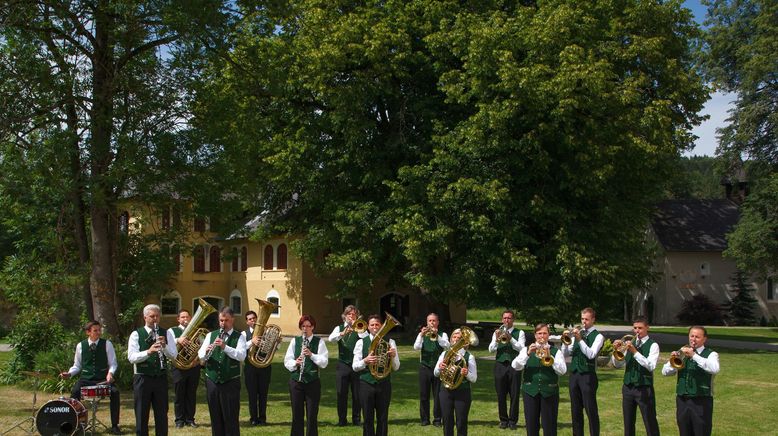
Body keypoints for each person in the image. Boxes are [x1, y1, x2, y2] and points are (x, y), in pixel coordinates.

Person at [60, 321, 122, 435]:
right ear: (88, 332)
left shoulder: (107, 344)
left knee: (115, 392)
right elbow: (77, 365)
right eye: (95, 330)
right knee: (74, 393)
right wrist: (69, 374)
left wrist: (110, 374)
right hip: (86, 378)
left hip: (102, 378)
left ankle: (114, 425)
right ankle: (75, 423)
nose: (99, 332)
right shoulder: (80, 345)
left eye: (99, 330)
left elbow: (113, 363)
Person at [127, 304, 177, 436]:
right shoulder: (136, 334)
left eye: (157, 316)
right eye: (152, 316)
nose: (155, 319)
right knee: (141, 412)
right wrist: (148, 352)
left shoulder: (166, 333)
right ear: (145, 317)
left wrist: (165, 346)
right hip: (142, 378)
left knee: (161, 413)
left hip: (160, 378)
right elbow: (131, 357)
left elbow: (174, 355)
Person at [662, 325, 720, 436]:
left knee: (701, 432)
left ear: (704, 339)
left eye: (697, 337)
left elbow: (715, 369)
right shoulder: (682, 353)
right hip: (682, 400)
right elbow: (664, 372)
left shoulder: (711, 354)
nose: (693, 339)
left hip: (701, 400)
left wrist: (694, 355)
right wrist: (672, 361)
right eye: (691, 336)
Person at [198, 306, 246, 436]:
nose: (223, 323)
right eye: (221, 320)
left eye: (226, 320)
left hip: (230, 381)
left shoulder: (239, 337)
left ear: (232, 320)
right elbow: (200, 355)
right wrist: (206, 351)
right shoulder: (210, 335)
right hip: (212, 381)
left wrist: (225, 347)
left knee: (230, 417)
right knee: (215, 417)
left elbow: (241, 356)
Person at [512, 323, 567, 436]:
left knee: (550, 426)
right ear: (535, 335)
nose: (542, 336)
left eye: (545, 333)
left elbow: (562, 371)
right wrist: (527, 354)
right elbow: (515, 366)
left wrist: (549, 357)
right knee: (531, 426)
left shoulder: (556, 351)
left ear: (548, 335)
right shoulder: (526, 349)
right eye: (539, 333)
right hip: (530, 391)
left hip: (549, 392)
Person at [611, 316, 660, 436]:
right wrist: (617, 351)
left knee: (650, 422)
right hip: (628, 387)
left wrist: (635, 352)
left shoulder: (653, 345)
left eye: (640, 328)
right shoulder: (629, 344)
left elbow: (651, 366)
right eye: (635, 328)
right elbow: (618, 364)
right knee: (628, 423)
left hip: (644, 387)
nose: (637, 331)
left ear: (647, 328)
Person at [353, 313, 401, 436]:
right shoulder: (361, 343)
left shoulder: (390, 342)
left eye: (377, 324)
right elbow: (355, 366)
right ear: (368, 327)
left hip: (384, 384)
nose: (375, 327)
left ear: (381, 326)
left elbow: (396, 367)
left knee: (383, 418)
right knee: (368, 418)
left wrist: (393, 356)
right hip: (366, 384)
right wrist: (365, 361)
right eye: (372, 324)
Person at [561, 307, 604, 436]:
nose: (584, 322)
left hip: (588, 375)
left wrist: (579, 339)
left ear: (593, 320)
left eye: (587, 319)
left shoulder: (598, 336)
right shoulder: (577, 333)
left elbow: (591, 354)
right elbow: (566, 353)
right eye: (582, 319)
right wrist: (566, 341)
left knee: (591, 410)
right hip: (574, 374)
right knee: (575, 410)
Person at [284, 314, 329, 435]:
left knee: (312, 415)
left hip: (312, 383)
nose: (305, 329)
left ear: (313, 327)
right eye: (303, 326)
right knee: (296, 415)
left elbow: (324, 362)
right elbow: (287, 361)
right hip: (296, 382)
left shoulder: (319, 342)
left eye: (308, 326)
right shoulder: (295, 341)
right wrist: (295, 362)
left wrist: (312, 355)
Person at [328, 305, 367, 426]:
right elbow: (331, 339)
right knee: (341, 394)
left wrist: (357, 327)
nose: (351, 316)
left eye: (354, 314)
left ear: (357, 316)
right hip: (343, 365)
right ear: (345, 316)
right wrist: (342, 333)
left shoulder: (360, 327)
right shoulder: (339, 327)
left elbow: (365, 339)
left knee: (357, 394)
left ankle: (356, 419)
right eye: (349, 314)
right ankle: (342, 420)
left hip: (356, 365)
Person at [434, 328, 477, 436]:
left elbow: (474, 378)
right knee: (447, 421)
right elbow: (435, 373)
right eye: (454, 337)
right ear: (451, 339)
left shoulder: (469, 357)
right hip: (445, 392)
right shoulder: (444, 354)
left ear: (464, 341)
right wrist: (440, 368)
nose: (456, 339)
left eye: (459, 338)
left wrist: (466, 373)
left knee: (461, 422)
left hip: (462, 392)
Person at [488, 309, 525, 429]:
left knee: (514, 394)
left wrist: (511, 339)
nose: (506, 320)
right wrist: (497, 340)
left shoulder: (520, 333)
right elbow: (490, 349)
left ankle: (513, 421)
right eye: (504, 318)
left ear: (513, 320)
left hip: (515, 365)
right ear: (501, 319)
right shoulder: (497, 332)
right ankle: (503, 420)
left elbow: (521, 349)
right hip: (500, 365)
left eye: (509, 318)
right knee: (501, 394)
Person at [414, 312, 450, 426]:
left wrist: (437, 335)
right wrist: (421, 335)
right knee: (424, 395)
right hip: (424, 367)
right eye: (430, 321)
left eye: (434, 321)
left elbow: (447, 346)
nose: (432, 323)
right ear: (427, 322)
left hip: (438, 368)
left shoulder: (442, 334)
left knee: (438, 395)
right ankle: (424, 419)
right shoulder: (422, 334)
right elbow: (416, 347)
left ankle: (437, 419)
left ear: (438, 322)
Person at [170, 308, 200, 428]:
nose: (185, 319)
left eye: (187, 317)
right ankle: (179, 420)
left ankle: (190, 419)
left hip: (193, 366)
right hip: (179, 367)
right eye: (183, 317)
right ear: (178, 319)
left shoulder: (196, 330)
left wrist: (197, 359)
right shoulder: (172, 331)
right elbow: (168, 343)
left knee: (191, 394)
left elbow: (202, 344)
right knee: (179, 394)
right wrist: (178, 340)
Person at [243, 310, 273, 426]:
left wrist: (277, 342)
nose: (253, 320)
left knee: (263, 394)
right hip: (250, 368)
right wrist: (252, 341)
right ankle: (253, 418)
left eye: (254, 318)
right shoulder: (244, 334)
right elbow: (241, 348)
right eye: (250, 319)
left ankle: (263, 418)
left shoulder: (267, 332)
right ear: (247, 322)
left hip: (264, 367)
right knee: (252, 394)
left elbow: (275, 348)